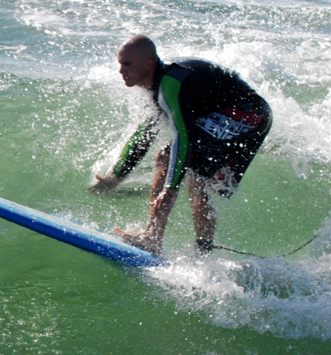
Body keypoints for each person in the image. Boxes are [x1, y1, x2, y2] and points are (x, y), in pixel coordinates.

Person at [91, 35, 271, 256]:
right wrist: (114, 178)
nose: (121, 70)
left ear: (148, 63)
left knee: (168, 156)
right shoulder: (157, 86)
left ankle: (152, 237)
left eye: (127, 64)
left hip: (249, 112)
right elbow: (144, 135)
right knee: (197, 173)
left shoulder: (170, 84)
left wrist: (170, 188)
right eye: (120, 63)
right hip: (243, 114)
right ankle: (203, 252)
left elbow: (183, 138)